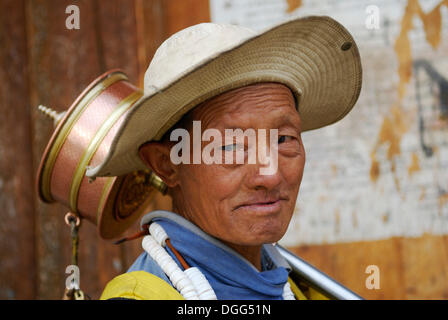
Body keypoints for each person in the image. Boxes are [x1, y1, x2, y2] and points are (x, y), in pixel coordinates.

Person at [96, 15, 362, 300]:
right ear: (167, 165)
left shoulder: (303, 291)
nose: (270, 175)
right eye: (231, 146)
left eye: (283, 139)